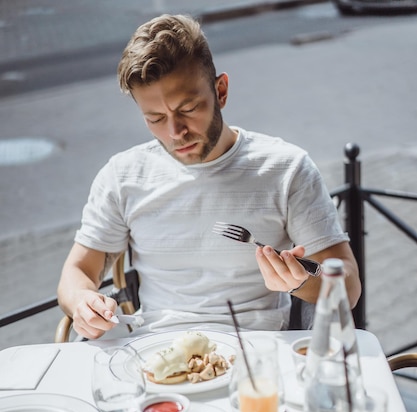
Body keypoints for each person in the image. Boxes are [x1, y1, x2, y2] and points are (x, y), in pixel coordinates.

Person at [57, 13, 361, 340]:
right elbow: (78, 272)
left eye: (188, 109)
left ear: (221, 91)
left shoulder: (286, 169)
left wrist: (301, 281)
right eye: (156, 118)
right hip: (155, 355)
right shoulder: (123, 175)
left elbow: (349, 285)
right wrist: (81, 301)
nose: (175, 132)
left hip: (259, 356)